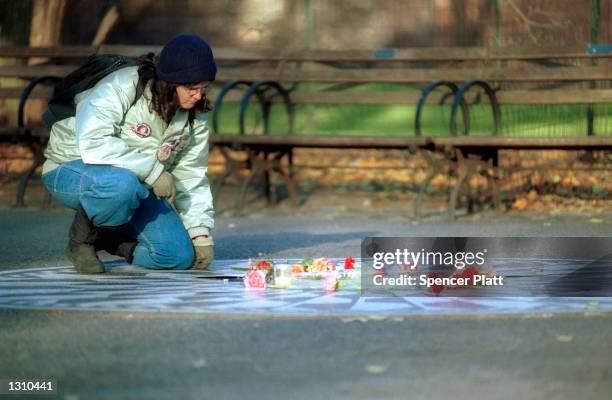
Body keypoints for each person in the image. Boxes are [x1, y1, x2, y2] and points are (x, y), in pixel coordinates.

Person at [41, 34, 217, 273]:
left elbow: (191, 173)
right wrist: (153, 172)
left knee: (176, 256)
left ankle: (112, 240)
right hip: (70, 167)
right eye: (191, 88)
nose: (198, 95)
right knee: (122, 185)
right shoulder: (123, 85)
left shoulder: (194, 114)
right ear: (169, 81)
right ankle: (80, 241)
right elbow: (94, 142)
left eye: (203, 88)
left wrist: (199, 234)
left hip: (137, 184)